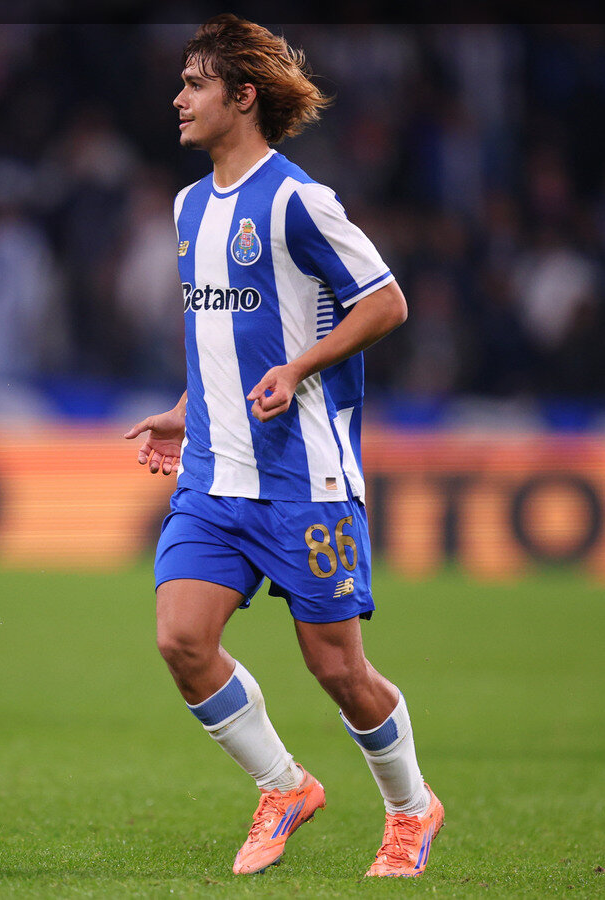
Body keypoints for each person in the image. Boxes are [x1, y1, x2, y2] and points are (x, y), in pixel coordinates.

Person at [123, 16, 442, 878]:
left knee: (337, 668)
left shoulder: (300, 201)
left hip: (307, 477)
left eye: (195, 83)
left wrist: (302, 365)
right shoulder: (188, 208)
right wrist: (185, 409)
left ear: (242, 96)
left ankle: (411, 808)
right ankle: (284, 786)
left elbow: (386, 302)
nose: (178, 98)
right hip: (213, 475)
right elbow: (221, 333)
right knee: (182, 639)